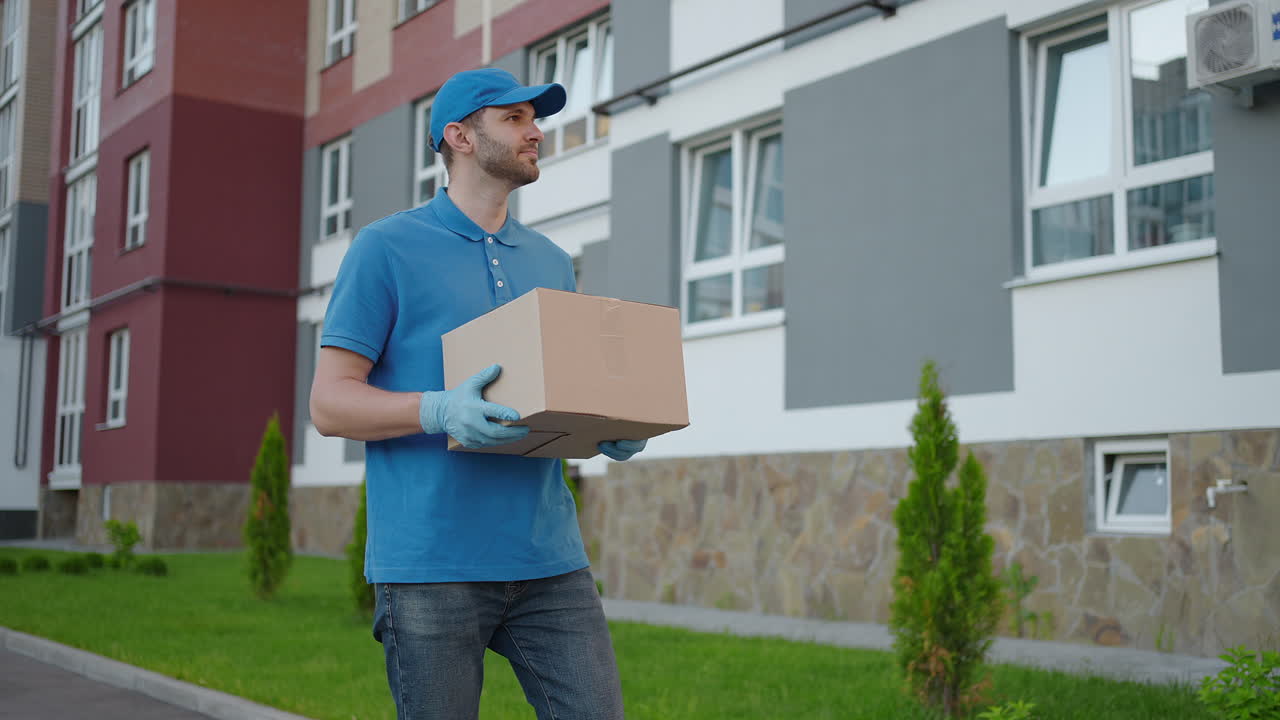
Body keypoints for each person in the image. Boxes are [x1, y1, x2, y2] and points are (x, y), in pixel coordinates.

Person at [309, 68, 645, 720]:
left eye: (535, 118)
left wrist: (606, 426)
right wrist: (436, 408)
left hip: (549, 559)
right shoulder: (385, 248)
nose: (536, 132)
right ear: (459, 136)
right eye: (514, 119)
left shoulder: (549, 260)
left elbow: (555, 392)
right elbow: (329, 403)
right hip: (431, 566)